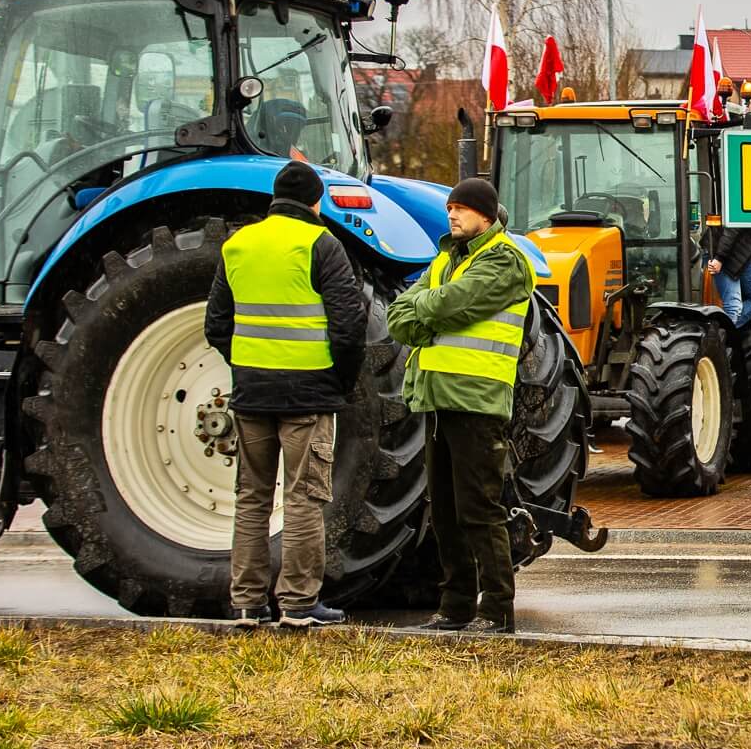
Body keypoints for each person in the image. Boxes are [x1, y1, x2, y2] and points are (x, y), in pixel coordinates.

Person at [206, 160, 367, 629]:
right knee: (302, 498)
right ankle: (297, 603)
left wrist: (246, 366)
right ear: (316, 202)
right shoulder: (321, 244)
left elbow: (216, 324)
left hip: (251, 393)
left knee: (252, 497)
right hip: (308, 395)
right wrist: (340, 383)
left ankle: (247, 602)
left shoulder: (238, 245)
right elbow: (349, 326)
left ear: (274, 199)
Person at [387, 177, 535, 635]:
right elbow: (398, 315)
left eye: (461, 208)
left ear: (485, 215)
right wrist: (430, 311)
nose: (451, 214)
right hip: (437, 397)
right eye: (449, 207)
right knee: (446, 512)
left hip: (477, 399)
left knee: (479, 509)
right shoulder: (446, 260)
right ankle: (455, 607)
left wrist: (427, 309)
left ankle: (497, 610)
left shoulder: (504, 259)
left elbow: (455, 302)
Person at [704, 225, 751, 328]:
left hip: (743, 256)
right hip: (722, 250)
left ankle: (721, 329)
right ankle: (717, 332)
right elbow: (732, 228)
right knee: (733, 308)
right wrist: (719, 258)